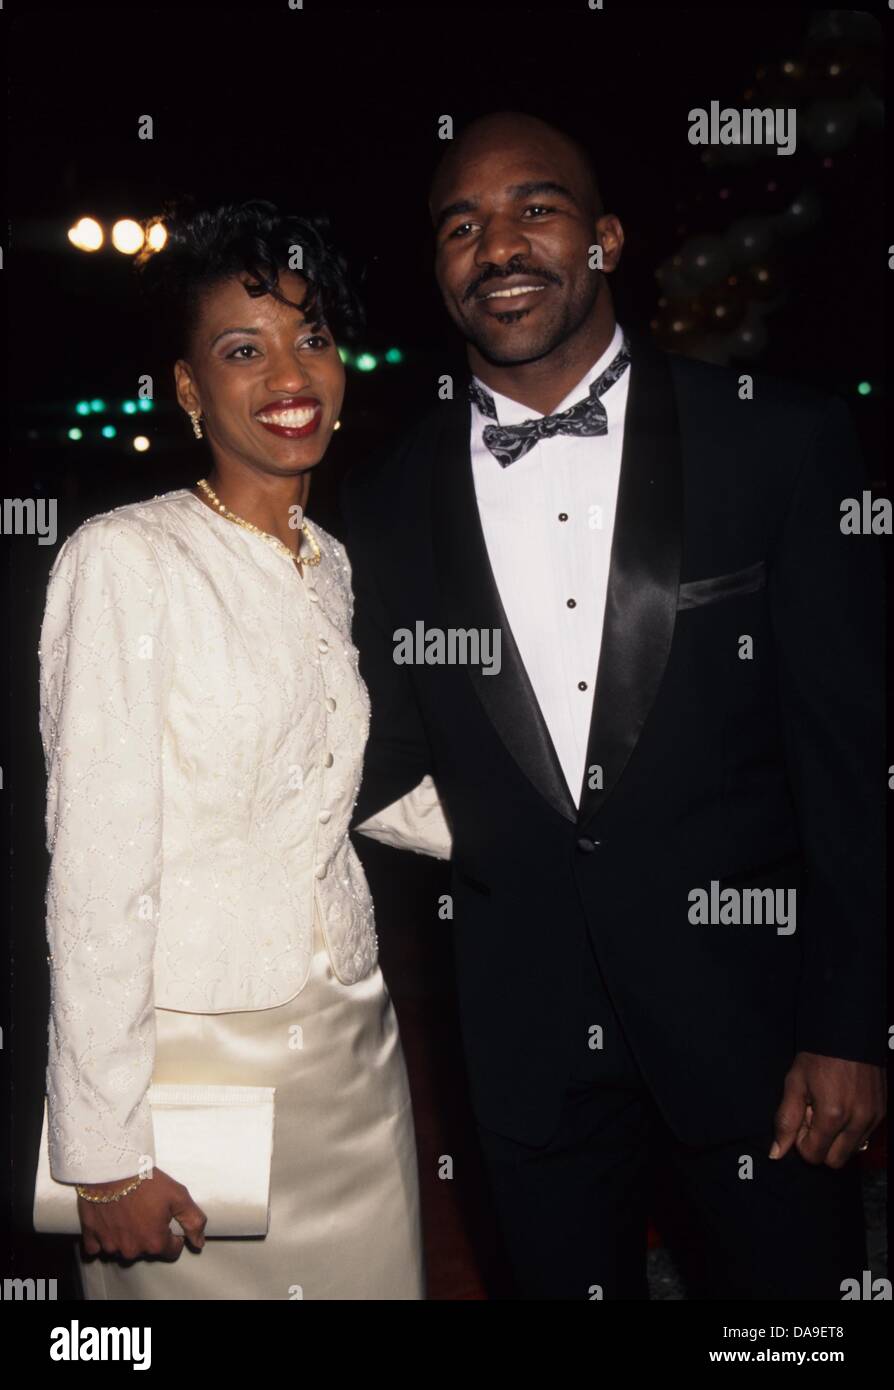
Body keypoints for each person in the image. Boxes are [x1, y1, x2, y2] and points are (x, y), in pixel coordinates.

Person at [340, 112, 886, 1300]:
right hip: (528, 1052)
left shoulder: (778, 439)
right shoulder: (379, 510)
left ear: (608, 239)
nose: (498, 246)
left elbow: (850, 760)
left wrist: (850, 1026)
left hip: (761, 1040)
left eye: (536, 209)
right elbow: (370, 752)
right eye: (460, 226)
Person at [38, 200, 449, 1300]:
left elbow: (341, 782)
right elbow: (95, 866)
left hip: (354, 1053)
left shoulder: (335, 566)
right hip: (190, 1071)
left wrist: (576, 817)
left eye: (312, 336)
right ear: (186, 388)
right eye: (242, 347)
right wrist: (102, 1146)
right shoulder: (127, 559)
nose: (290, 371)